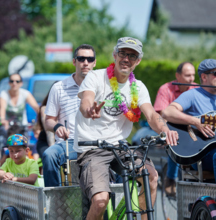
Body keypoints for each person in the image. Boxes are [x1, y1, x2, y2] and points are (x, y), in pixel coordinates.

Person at [73, 37, 178, 220]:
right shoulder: (96, 77)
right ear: (115, 55)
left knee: (151, 177)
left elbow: (151, 115)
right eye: (122, 53)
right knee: (100, 201)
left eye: (132, 55)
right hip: (92, 149)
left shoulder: (138, 87)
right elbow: (86, 100)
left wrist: (166, 130)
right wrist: (89, 110)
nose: (126, 58)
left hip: (121, 148)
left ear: (138, 61)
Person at [42, 44, 97, 187]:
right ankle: (55, 201)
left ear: (94, 62)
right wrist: (57, 126)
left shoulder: (103, 87)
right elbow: (48, 121)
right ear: (74, 61)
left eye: (90, 59)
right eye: (81, 58)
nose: (86, 63)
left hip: (97, 142)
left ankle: (121, 205)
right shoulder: (59, 87)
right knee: (49, 155)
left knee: (125, 159)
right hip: (71, 143)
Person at [162, 59, 216, 183]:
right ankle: (170, 179)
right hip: (202, 155)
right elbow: (167, 112)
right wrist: (196, 122)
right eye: (215, 73)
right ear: (204, 76)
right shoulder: (192, 95)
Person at [153, 62, 197, 196]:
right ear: (177, 76)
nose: (192, 79)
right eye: (187, 75)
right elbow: (161, 115)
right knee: (174, 140)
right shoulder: (165, 89)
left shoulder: (196, 89)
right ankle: (170, 178)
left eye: (193, 75)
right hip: (172, 128)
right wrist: (165, 133)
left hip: (193, 130)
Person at [36, 91, 55, 159]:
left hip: (63, 142)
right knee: (49, 157)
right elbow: (49, 132)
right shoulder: (45, 108)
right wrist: (53, 149)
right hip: (46, 142)